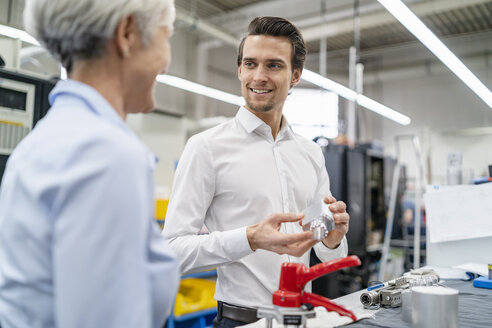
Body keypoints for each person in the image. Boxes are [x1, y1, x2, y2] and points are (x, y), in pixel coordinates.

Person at [0, 0, 179, 327]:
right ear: (126, 34)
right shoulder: (104, 154)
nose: (166, 65)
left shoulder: (45, 139)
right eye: (166, 37)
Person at [163, 16, 350, 328]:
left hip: (303, 319)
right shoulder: (206, 147)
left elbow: (325, 247)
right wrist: (249, 239)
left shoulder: (310, 153)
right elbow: (172, 251)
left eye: (274, 66)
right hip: (242, 321)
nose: (259, 76)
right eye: (250, 64)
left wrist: (331, 239)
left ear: (296, 75)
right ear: (239, 70)